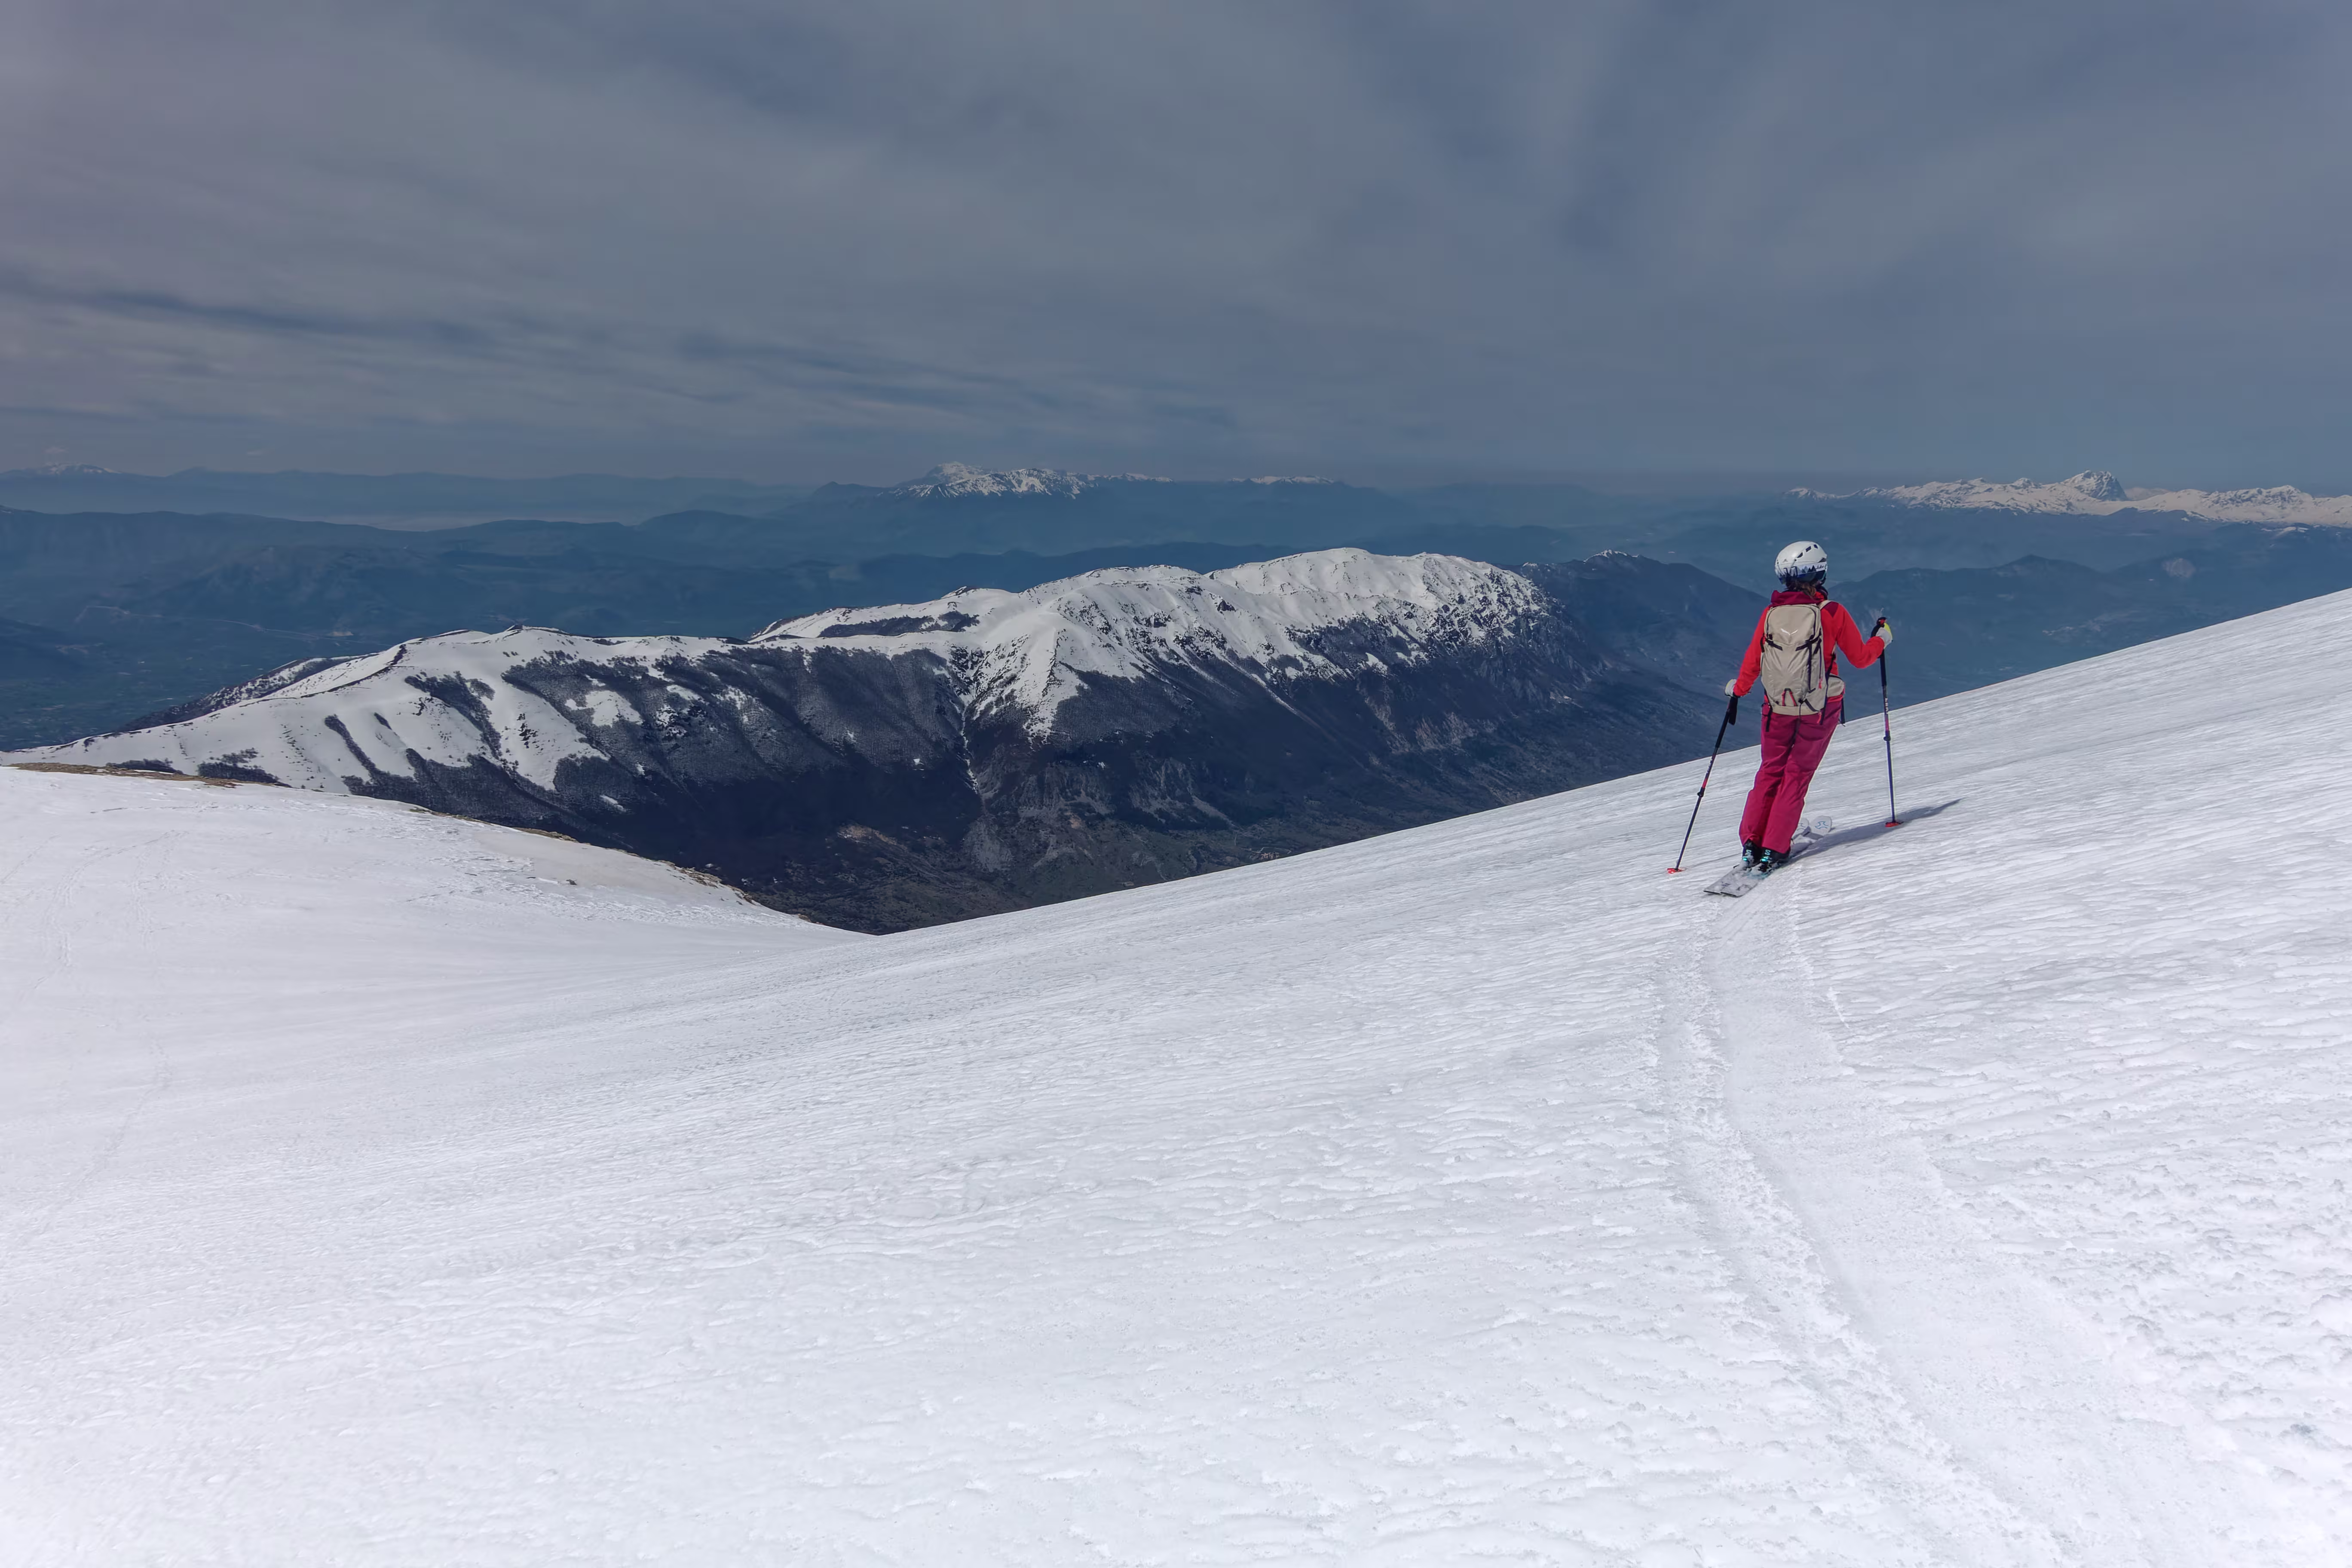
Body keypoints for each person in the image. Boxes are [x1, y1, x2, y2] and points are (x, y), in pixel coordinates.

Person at [1722, 541, 1891, 870]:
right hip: (1820, 706)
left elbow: (1753, 660)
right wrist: (1882, 640)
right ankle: (1775, 847)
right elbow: (1860, 658)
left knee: (1770, 771)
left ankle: (1752, 844)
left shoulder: (1771, 613)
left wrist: (1739, 691)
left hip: (1776, 706)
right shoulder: (1831, 612)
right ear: (1821, 572)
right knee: (1797, 774)